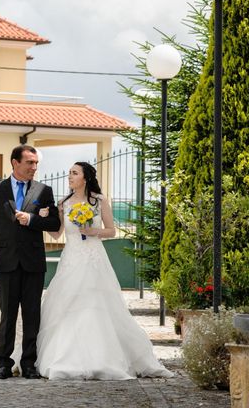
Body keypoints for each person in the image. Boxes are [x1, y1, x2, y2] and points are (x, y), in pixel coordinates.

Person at [34, 162, 173, 380]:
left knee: (96, 304)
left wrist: (92, 230)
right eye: (69, 173)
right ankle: (66, 357)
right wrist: (44, 218)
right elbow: (57, 234)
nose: (69, 176)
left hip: (94, 259)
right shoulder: (63, 202)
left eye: (74, 173)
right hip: (71, 259)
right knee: (67, 305)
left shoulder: (98, 200)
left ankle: (102, 357)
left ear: (85, 178)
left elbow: (111, 230)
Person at [0, 145, 61, 380]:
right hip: (6, 262)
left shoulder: (44, 191)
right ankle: (3, 364)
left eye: (36, 163)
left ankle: (29, 363)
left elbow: (54, 223)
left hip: (33, 262)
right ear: (15, 163)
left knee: (32, 314)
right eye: (29, 163)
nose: (34, 168)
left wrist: (32, 219)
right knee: (7, 315)